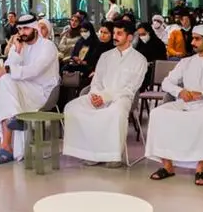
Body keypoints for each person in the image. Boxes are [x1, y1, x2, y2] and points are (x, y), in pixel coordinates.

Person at [146, 25, 203, 186]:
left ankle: (200, 169)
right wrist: (180, 91)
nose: (192, 42)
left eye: (197, 39)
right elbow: (167, 82)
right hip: (184, 102)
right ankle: (167, 166)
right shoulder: (186, 62)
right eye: (192, 38)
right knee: (157, 114)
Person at [63, 20, 147, 167]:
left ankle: (113, 156)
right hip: (99, 95)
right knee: (72, 108)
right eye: (114, 33)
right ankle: (91, 153)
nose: (115, 36)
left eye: (119, 33)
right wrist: (96, 95)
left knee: (116, 112)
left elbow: (130, 88)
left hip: (122, 98)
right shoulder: (105, 56)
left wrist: (106, 98)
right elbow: (96, 81)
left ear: (129, 37)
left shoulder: (139, 60)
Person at [0, 14, 60, 165]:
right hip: (25, 88)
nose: (22, 32)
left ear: (35, 28)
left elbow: (35, 70)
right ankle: (13, 125)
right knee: (6, 81)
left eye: (26, 28)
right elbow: (9, 67)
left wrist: (8, 70)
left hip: (43, 91)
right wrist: (17, 50)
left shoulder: (47, 46)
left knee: (6, 83)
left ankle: (6, 147)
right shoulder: (21, 45)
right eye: (20, 29)